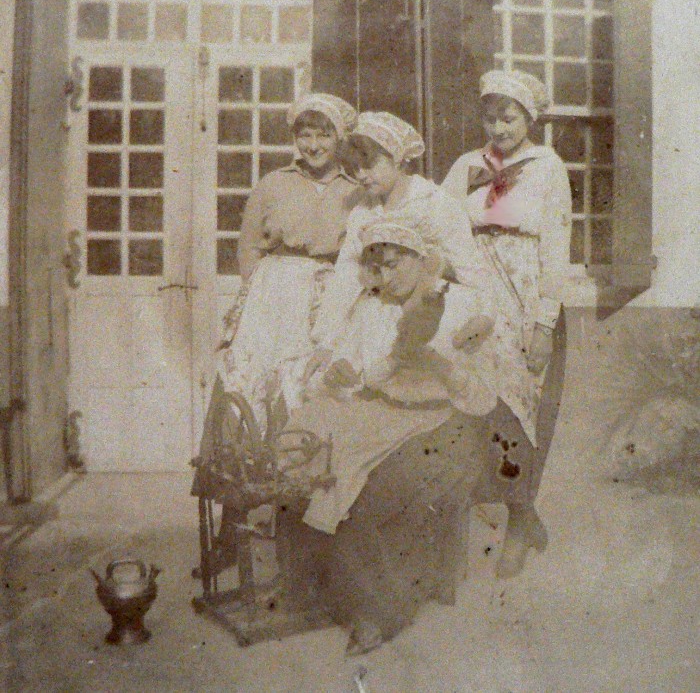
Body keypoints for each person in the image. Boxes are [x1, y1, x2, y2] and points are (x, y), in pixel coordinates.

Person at [276, 220, 497, 655]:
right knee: (304, 456)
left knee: (361, 495)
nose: (385, 278)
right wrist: (339, 377)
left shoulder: (461, 308)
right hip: (377, 414)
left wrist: (439, 366)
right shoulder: (371, 307)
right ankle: (307, 588)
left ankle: (378, 613)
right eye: (375, 269)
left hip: (442, 425)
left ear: (420, 259)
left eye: (394, 266)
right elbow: (354, 376)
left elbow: (483, 399)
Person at [193, 92, 360, 572]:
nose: (312, 145)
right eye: (304, 134)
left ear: (340, 137)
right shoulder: (272, 183)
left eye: (322, 134)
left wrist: (330, 309)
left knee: (303, 408)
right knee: (242, 404)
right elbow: (248, 247)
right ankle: (229, 534)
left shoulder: (354, 191)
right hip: (271, 297)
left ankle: (303, 543)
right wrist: (258, 301)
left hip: (325, 301)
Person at [441, 69, 572, 578]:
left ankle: (519, 523)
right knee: (473, 408)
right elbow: (441, 227)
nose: (499, 128)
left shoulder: (548, 167)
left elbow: (557, 250)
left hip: (522, 299)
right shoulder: (464, 166)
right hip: (473, 297)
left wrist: (543, 324)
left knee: (518, 413)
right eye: (491, 117)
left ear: (529, 118)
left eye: (509, 117)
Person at [311, 110, 495, 358]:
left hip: (430, 315)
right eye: (354, 168)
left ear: (397, 158)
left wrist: (484, 316)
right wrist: (326, 339)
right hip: (377, 315)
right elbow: (347, 274)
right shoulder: (363, 212)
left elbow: (471, 269)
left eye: (369, 165)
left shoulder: (433, 203)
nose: (361, 175)